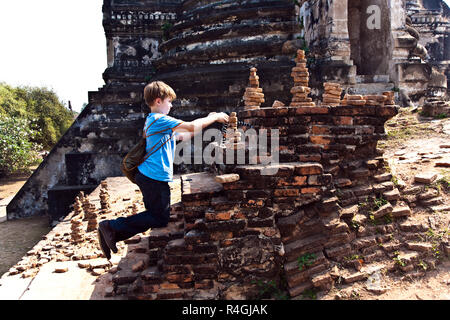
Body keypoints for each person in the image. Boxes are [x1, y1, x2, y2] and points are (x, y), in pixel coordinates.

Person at [97, 81, 229, 260]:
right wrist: (215, 117)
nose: (171, 105)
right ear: (158, 101)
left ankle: (112, 233)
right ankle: (112, 227)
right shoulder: (159, 120)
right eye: (169, 101)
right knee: (159, 217)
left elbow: (184, 135)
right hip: (153, 177)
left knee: (157, 215)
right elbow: (190, 126)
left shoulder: (156, 123)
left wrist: (207, 119)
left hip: (151, 177)